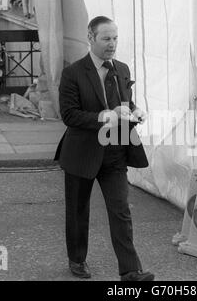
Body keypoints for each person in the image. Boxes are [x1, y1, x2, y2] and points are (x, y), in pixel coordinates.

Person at [54, 16, 154, 281]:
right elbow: (70, 115)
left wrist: (135, 111)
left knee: (121, 209)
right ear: (91, 37)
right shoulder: (73, 73)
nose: (112, 44)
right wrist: (105, 115)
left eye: (115, 38)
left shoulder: (122, 68)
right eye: (106, 39)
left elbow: (125, 103)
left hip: (115, 151)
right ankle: (77, 259)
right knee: (78, 211)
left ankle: (131, 271)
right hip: (82, 153)